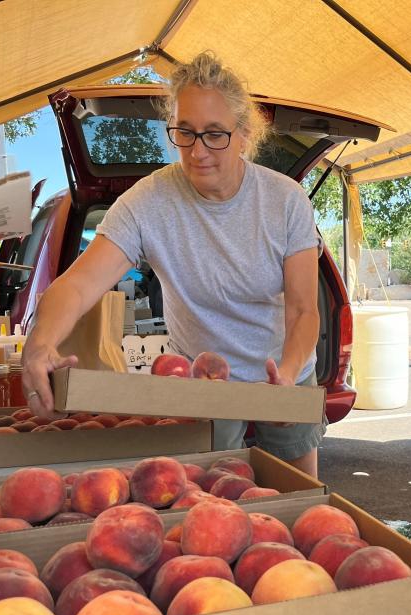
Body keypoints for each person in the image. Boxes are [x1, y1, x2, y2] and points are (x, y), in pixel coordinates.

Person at [21, 51, 324, 476]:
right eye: (185, 132)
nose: (198, 152)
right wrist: (40, 343)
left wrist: (288, 375)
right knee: (211, 497)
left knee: (298, 493)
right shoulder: (149, 202)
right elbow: (76, 286)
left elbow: (304, 309)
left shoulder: (285, 201)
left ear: (243, 134)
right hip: (202, 384)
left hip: (285, 369)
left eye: (215, 134)